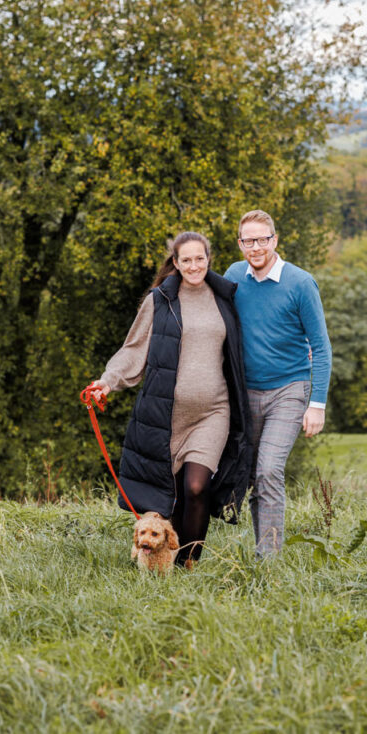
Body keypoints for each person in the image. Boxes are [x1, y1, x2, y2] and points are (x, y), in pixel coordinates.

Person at [89, 232, 252, 567]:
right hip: (166, 416)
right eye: (187, 260)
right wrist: (106, 383)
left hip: (213, 411)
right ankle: (164, 562)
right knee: (171, 495)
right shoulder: (160, 300)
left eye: (200, 258)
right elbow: (134, 349)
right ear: (176, 263)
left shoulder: (224, 297)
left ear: (209, 258)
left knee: (195, 487)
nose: (194, 265)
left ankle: (187, 563)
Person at [223, 210, 332, 556]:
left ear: (275, 240)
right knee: (253, 474)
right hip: (245, 393)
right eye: (248, 240)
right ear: (240, 244)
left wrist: (317, 404)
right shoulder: (234, 276)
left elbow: (321, 347)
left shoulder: (300, 284)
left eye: (262, 239)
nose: (256, 247)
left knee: (269, 469)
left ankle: (268, 563)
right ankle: (262, 552)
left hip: (289, 389)